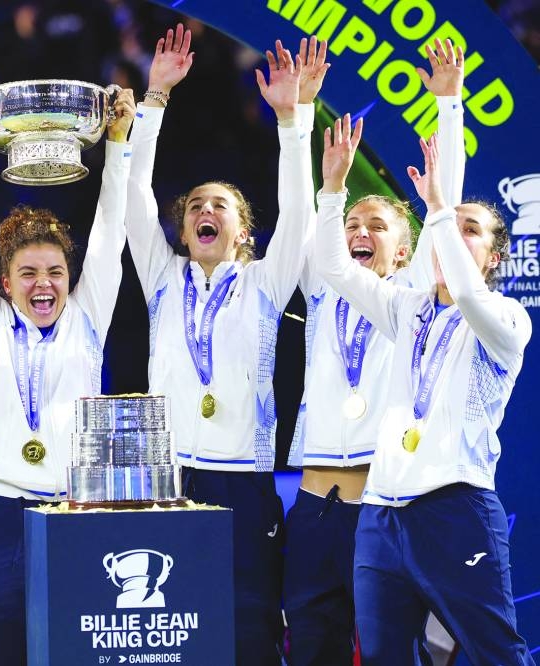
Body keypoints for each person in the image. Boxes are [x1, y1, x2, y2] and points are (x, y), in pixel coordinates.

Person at [124, 25, 316, 664]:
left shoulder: (265, 283)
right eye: (195, 206)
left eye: (221, 206)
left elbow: (299, 215)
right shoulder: (162, 278)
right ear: (182, 231)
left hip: (243, 483)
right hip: (168, 477)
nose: (206, 211)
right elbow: (134, 199)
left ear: (243, 231)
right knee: (171, 633)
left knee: (249, 628)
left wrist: (291, 122)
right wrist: (154, 98)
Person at [315, 107, 534, 663]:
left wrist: (438, 210)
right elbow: (336, 269)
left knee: (496, 653)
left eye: (469, 231)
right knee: (383, 658)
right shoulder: (407, 307)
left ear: (494, 258)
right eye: (447, 227)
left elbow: (466, 291)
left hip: (456, 508)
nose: (452, 236)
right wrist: (333, 190)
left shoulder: (506, 320)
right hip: (380, 515)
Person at [283, 39, 466, 664]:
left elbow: (446, 208)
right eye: (351, 225)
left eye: (376, 227)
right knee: (311, 647)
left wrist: (449, 105)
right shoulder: (325, 287)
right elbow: (298, 211)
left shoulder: (409, 299)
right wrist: (299, 122)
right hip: (313, 508)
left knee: (392, 652)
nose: (359, 232)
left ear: (405, 250)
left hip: (382, 508)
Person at [0, 82, 135, 664]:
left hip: (75, 513)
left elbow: (111, 230)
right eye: (28, 273)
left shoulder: (87, 317)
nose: (44, 284)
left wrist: (119, 144)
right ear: (5, 282)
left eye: (55, 271)